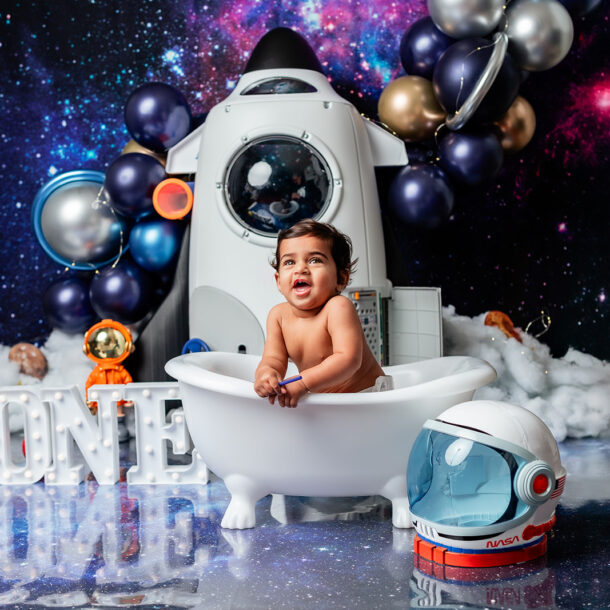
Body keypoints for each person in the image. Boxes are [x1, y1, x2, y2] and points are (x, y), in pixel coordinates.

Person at [254, 219, 389, 407]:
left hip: (368, 398)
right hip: (325, 403)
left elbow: (348, 359)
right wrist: (266, 374)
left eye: (314, 260)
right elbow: (273, 358)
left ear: (341, 278)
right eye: (290, 262)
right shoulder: (278, 317)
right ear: (278, 280)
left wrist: (302, 381)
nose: (300, 269)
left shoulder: (338, 307)